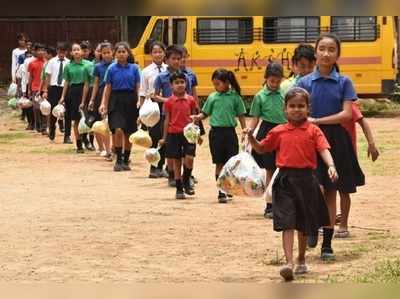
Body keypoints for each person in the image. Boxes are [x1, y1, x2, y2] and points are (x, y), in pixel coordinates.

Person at [245, 87, 337, 281]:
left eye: (301, 106)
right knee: (287, 222)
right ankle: (288, 263)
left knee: (303, 224)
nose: (296, 110)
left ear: (308, 109)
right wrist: (251, 137)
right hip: (284, 181)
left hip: (307, 181)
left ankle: (301, 258)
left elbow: (323, 149)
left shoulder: (313, 130)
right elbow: (261, 148)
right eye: (292, 106)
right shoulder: (278, 131)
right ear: (285, 109)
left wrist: (331, 165)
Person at [297, 33, 365, 260]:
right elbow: (296, 111)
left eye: (331, 50)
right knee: (313, 187)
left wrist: (318, 120)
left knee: (331, 189)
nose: (326, 54)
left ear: (338, 54)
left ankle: (327, 244)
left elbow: (347, 114)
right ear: (315, 52)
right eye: (322, 49)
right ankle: (315, 224)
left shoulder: (344, 82)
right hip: (308, 139)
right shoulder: (304, 82)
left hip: (336, 139)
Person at [191, 68, 247, 203]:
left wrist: (245, 130)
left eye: (218, 84)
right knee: (219, 163)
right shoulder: (212, 97)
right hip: (216, 133)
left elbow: (241, 115)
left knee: (231, 163)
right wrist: (197, 117)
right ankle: (221, 191)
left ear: (227, 82)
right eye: (214, 84)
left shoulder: (235, 97)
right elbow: (205, 113)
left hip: (230, 133)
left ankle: (229, 187)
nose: (216, 87)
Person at [335, 102, 379, 237]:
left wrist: (371, 144)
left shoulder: (347, 105)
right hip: (325, 152)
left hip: (346, 154)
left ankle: (343, 224)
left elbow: (363, 122)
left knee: (344, 190)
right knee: (325, 190)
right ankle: (326, 221)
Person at [248, 62, 286, 219]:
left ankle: (284, 203)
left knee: (284, 168)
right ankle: (270, 205)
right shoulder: (260, 96)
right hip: (268, 132)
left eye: (278, 81)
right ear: (266, 79)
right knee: (270, 169)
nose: (275, 84)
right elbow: (255, 118)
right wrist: (249, 134)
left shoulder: (285, 94)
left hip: (284, 132)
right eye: (272, 81)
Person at [153, 45, 192, 185]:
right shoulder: (161, 77)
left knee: (186, 148)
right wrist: (169, 101)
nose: (176, 61)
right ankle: (172, 175)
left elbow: (190, 96)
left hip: (185, 117)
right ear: (167, 59)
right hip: (168, 115)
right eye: (173, 59)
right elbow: (155, 96)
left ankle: (186, 176)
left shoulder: (186, 76)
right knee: (171, 149)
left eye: (179, 58)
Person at [99, 42, 140, 171]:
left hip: (131, 100)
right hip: (115, 100)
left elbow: (138, 86)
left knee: (129, 132)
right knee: (117, 129)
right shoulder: (111, 69)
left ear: (128, 53)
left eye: (124, 52)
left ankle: (126, 159)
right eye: (119, 52)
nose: (121, 54)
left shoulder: (134, 68)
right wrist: (103, 104)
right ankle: (119, 159)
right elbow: (107, 87)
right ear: (115, 54)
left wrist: (139, 101)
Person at [159, 71, 198, 199]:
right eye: (176, 83)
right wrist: (164, 138)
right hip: (173, 134)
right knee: (176, 161)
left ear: (186, 84)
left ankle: (186, 180)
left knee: (189, 158)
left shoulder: (191, 100)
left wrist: (198, 134)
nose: (180, 85)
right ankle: (179, 187)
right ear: (171, 85)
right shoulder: (169, 102)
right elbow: (167, 120)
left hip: (189, 135)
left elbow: (194, 118)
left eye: (182, 82)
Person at [139, 41, 168, 178]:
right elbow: (143, 92)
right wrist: (141, 112)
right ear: (151, 54)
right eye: (154, 52)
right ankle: (153, 167)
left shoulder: (169, 69)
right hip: (152, 108)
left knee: (166, 135)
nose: (157, 54)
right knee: (154, 136)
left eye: (160, 51)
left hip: (167, 105)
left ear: (164, 52)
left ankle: (164, 166)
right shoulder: (145, 71)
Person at [59, 43, 90, 152]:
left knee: (87, 118)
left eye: (78, 49)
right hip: (73, 92)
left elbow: (89, 82)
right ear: (71, 53)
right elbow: (66, 82)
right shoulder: (68, 66)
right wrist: (63, 96)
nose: (76, 51)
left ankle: (87, 140)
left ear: (82, 52)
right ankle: (79, 144)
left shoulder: (88, 65)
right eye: (74, 50)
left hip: (85, 91)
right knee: (76, 120)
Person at [88, 42, 114, 161]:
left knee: (113, 123)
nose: (106, 55)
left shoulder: (116, 65)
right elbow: (96, 84)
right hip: (101, 94)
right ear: (100, 54)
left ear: (112, 52)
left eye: (108, 52)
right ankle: (105, 149)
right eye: (104, 53)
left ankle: (115, 148)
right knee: (102, 123)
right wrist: (92, 99)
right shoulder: (98, 67)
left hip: (115, 93)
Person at [43, 42, 70, 141]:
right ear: (57, 51)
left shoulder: (69, 63)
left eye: (63, 51)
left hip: (65, 88)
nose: (61, 53)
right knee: (53, 110)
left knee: (67, 112)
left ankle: (67, 135)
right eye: (59, 51)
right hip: (54, 88)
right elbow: (48, 76)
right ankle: (52, 129)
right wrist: (45, 90)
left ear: (66, 52)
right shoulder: (52, 61)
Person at [27, 43, 46, 134]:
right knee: (36, 107)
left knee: (45, 107)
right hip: (35, 88)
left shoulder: (47, 62)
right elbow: (30, 77)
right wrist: (29, 89)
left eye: (42, 50)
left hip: (45, 89)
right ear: (35, 51)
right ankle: (37, 124)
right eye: (39, 50)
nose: (41, 52)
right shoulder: (32, 63)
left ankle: (44, 127)